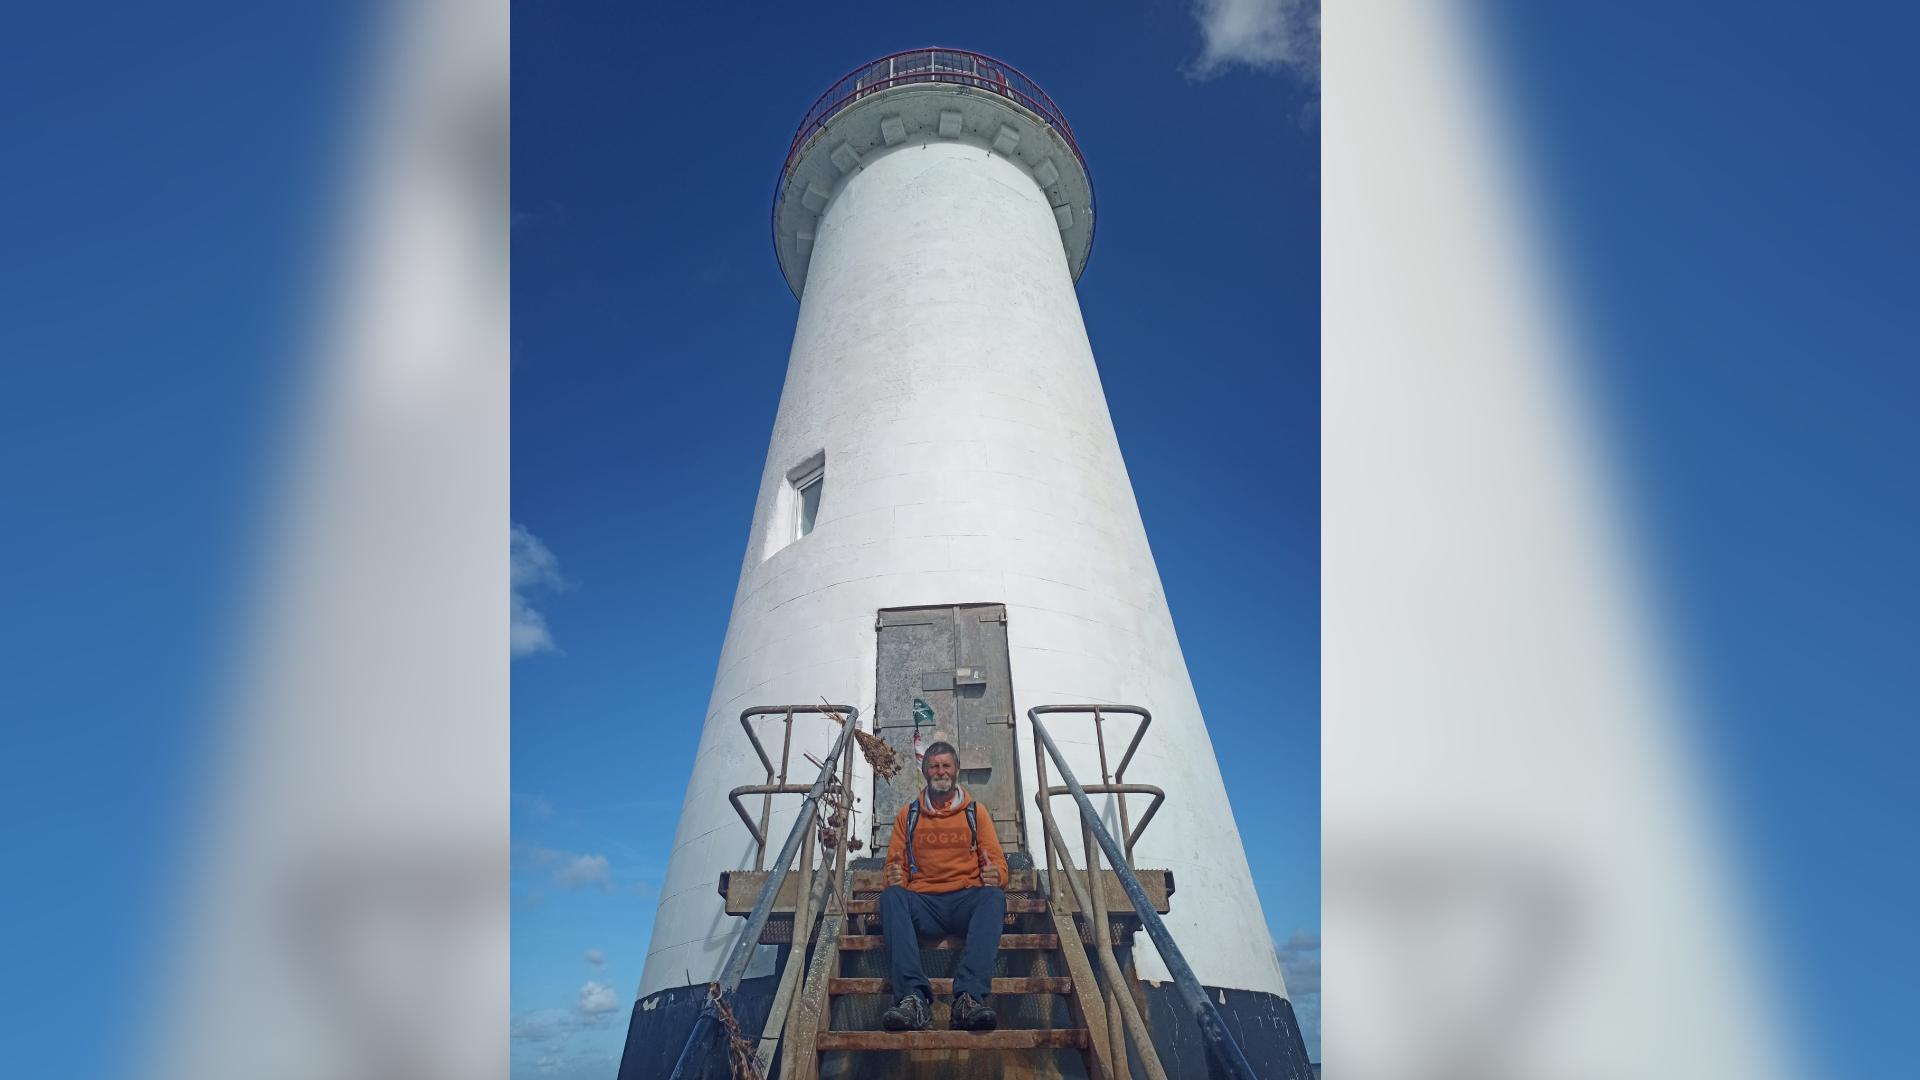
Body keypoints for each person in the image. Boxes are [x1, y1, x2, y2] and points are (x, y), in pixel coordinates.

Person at [877, 741, 1010, 1032]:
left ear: (956, 770)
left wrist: (995, 875)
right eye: (934, 766)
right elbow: (893, 864)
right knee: (891, 898)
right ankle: (913, 999)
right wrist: (893, 876)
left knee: (993, 898)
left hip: (965, 900)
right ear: (925, 771)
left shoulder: (975, 812)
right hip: (923, 902)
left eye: (946, 765)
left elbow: (999, 863)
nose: (941, 771)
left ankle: (968, 999)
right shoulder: (908, 815)